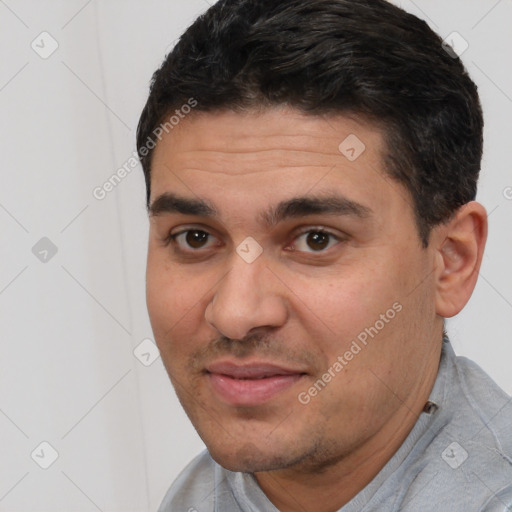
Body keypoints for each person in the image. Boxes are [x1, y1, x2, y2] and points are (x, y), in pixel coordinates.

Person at [136, 0, 512, 510]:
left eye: (316, 239)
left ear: (450, 262)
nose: (235, 313)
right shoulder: (194, 498)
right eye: (195, 238)